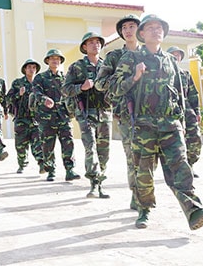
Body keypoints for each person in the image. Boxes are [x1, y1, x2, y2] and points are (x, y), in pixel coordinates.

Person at [112, 14, 203, 230]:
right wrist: (134, 77)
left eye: (159, 27)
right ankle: (143, 210)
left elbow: (180, 94)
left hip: (171, 124)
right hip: (143, 124)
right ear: (142, 34)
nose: (155, 30)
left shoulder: (171, 61)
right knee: (143, 170)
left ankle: (193, 211)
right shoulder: (130, 59)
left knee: (180, 167)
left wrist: (187, 124)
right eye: (150, 27)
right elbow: (113, 88)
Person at [95, 14, 142, 208]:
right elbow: (99, 84)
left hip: (151, 112)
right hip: (126, 113)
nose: (128, 30)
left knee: (150, 157)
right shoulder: (114, 57)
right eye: (125, 28)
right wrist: (123, 81)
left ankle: (143, 193)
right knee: (132, 155)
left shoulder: (149, 53)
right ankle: (137, 195)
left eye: (132, 26)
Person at [62, 32, 112, 198]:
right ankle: (93, 183)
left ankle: (101, 182)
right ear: (84, 47)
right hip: (85, 112)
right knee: (90, 147)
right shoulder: (77, 67)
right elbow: (65, 89)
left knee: (104, 150)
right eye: (91, 42)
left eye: (97, 42)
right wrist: (80, 87)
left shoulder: (107, 67)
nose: (95, 44)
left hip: (105, 112)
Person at [32, 49, 81, 182]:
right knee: (48, 145)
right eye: (52, 58)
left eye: (57, 59)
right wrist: (44, 99)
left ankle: (70, 170)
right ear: (47, 61)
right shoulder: (40, 78)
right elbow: (36, 92)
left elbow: (71, 94)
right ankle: (50, 170)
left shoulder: (65, 78)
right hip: (46, 117)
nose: (55, 61)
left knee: (68, 143)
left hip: (63, 116)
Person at [167, 46, 203, 178]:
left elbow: (193, 94)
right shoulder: (164, 73)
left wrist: (196, 111)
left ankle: (190, 165)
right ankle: (175, 168)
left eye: (178, 55)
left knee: (194, 137)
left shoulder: (185, 74)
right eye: (173, 54)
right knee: (174, 140)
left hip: (187, 109)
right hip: (171, 109)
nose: (176, 57)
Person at [6, 58, 45, 174]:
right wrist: (19, 94)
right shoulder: (18, 83)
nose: (31, 69)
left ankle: (41, 164)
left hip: (35, 119)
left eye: (33, 67)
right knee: (21, 144)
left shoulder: (39, 83)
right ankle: (22, 163)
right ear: (24, 69)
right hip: (21, 119)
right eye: (29, 67)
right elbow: (8, 99)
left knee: (37, 143)